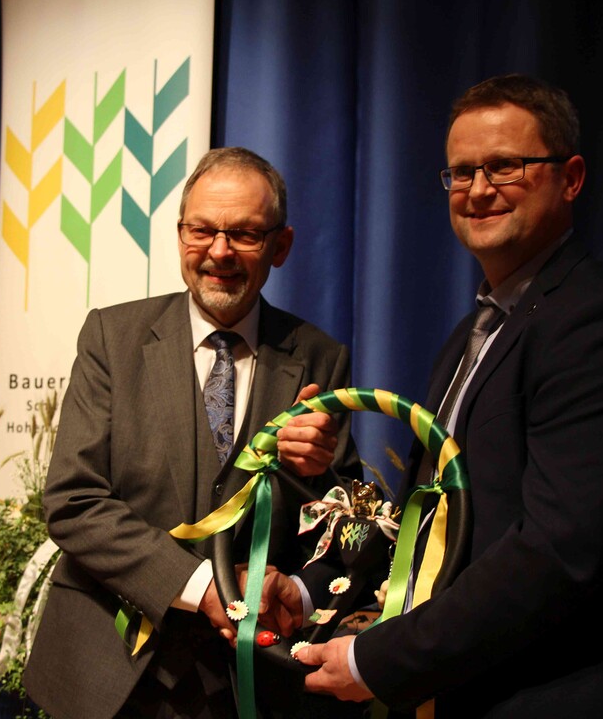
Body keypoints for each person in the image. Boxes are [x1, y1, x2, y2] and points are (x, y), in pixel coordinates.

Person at [292, 74, 603, 717]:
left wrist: (378, 660)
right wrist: (313, 594)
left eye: (504, 167)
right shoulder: (472, 335)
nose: (477, 190)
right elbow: (437, 530)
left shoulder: (602, 328)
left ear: (572, 177)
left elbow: (559, 554)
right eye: (461, 172)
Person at [23, 147, 361, 719]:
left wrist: (316, 475)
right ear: (180, 235)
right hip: (105, 679)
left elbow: (346, 527)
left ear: (281, 246)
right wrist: (204, 585)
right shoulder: (112, 336)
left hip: (246, 686)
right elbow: (73, 500)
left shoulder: (319, 358)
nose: (219, 252)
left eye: (245, 234)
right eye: (201, 230)